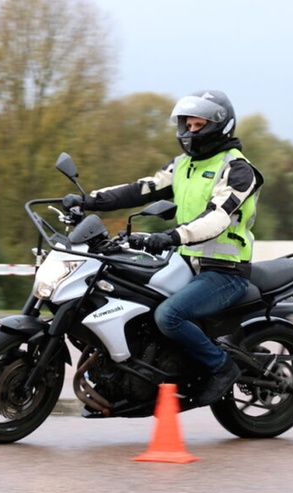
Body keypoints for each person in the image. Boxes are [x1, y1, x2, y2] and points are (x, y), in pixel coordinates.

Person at [62, 90, 264, 406]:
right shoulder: (183, 165)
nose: (190, 132)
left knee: (169, 316)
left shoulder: (237, 169)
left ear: (219, 127)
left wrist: (171, 236)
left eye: (198, 125)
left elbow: (217, 219)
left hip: (224, 272)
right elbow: (139, 190)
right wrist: (88, 201)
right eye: (187, 125)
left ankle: (221, 368)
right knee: (132, 292)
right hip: (184, 263)